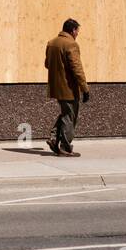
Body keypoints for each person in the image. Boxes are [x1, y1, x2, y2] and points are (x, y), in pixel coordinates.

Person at [45, 18, 89, 157]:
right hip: (68, 87)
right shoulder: (71, 44)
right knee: (70, 116)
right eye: (77, 31)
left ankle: (54, 139)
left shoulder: (51, 43)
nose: (78, 34)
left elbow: (47, 64)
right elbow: (77, 68)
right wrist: (84, 88)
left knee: (65, 113)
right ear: (73, 30)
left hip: (56, 87)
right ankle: (65, 147)